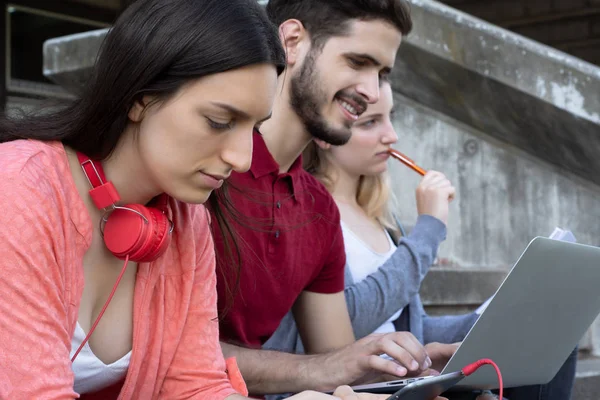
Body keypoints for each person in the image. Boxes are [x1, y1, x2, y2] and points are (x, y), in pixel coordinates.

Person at [0, 0, 393, 399]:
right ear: (140, 96)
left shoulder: (186, 220)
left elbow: (197, 385)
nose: (241, 158)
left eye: (254, 128)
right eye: (219, 122)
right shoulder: (18, 189)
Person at [264, 81, 578, 400]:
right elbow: (341, 322)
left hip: (406, 367)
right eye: (371, 122)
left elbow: (411, 326)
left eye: (390, 118)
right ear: (327, 134)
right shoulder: (311, 212)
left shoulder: (380, 215)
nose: (391, 135)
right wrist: (429, 229)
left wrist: (487, 319)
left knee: (551, 330)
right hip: (358, 381)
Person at [208, 0, 441, 396]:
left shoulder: (318, 209)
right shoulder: (206, 167)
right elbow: (167, 352)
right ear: (293, 42)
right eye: (357, 62)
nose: (372, 91)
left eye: (382, 72)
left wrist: (412, 373)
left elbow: (336, 363)